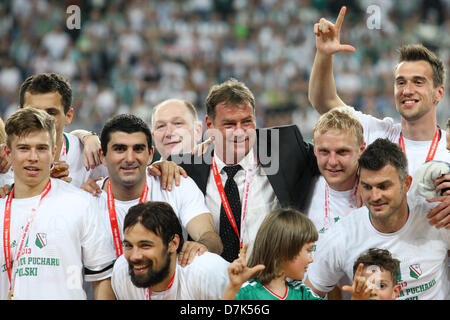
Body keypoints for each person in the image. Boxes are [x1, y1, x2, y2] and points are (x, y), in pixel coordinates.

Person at [309, 6, 449, 228]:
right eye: (401, 82)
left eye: (418, 82)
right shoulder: (376, 132)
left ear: (438, 93)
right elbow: (325, 102)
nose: (407, 90)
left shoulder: (447, 149)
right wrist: (324, 55)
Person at [176, 78, 319, 262]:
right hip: (212, 285)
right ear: (209, 125)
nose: (239, 131)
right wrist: (162, 166)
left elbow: (334, 158)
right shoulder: (186, 168)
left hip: (267, 282)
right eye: (229, 124)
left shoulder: (286, 148)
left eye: (246, 122)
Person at [305, 138, 449, 300]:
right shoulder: (341, 236)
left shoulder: (438, 218)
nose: (375, 196)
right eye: (367, 187)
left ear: (406, 184)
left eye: (383, 186)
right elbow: (307, 295)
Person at [0, 107, 115, 299]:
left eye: (42, 148)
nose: (33, 157)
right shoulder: (2, 207)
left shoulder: (81, 203)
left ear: (53, 151)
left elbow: (103, 279)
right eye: (23, 148)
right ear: (8, 152)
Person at [92, 113, 222, 266]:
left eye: (138, 149)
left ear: (150, 155)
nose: (130, 158)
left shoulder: (176, 185)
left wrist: (202, 246)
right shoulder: (87, 199)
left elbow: (211, 238)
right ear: (103, 156)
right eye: (120, 149)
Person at [111, 201, 229, 300]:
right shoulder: (122, 270)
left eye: (145, 245)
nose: (134, 257)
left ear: (173, 244)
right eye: (128, 245)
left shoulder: (206, 272)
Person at [10, 72, 107, 187]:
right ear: (19, 114)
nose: (42, 120)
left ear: (68, 116)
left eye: (51, 113)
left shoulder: (89, 155)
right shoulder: (5, 158)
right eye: (33, 112)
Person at [222, 208, 321, 300]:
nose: (311, 259)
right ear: (285, 251)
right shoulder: (247, 293)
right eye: (308, 250)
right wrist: (233, 288)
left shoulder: (303, 294)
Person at [306, 107, 365, 234]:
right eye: (324, 151)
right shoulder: (300, 189)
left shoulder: (375, 196)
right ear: (315, 149)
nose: (332, 162)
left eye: (342, 152)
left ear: (361, 149)